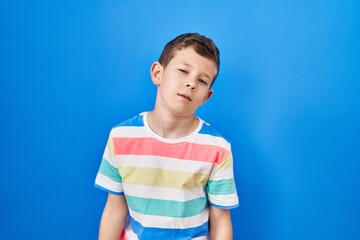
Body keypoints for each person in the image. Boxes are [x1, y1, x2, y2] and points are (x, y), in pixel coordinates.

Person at [94, 33, 239, 240]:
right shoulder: (121, 137)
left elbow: (221, 220)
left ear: (206, 97)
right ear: (157, 73)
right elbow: (114, 209)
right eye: (183, 71)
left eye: (202, 80)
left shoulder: (217, 148)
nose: (191, 83)